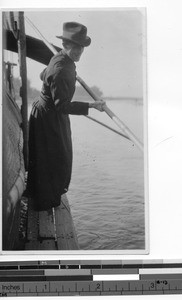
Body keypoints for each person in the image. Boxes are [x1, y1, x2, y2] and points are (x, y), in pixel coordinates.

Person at [26, 22, 106, 211]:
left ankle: (45, 196)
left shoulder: (60, 59)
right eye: (74, 47)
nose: (78, 51)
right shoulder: (61, 68)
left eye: (81, 47)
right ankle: (45, 201)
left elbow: (41, 75)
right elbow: (62, 105)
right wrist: (91, 105)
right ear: (66, 45)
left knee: (52, 156)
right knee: (55, 157)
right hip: (49, 115)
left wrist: (68, 74)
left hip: (47, 112)